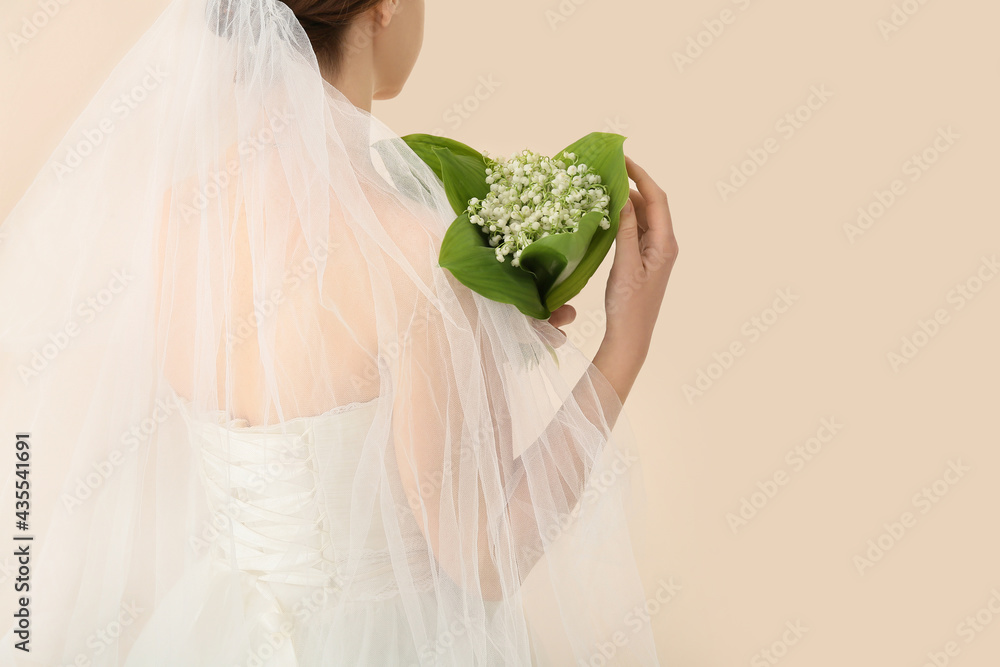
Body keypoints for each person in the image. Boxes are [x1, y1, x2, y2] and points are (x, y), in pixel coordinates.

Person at [0, 0, 678, 664]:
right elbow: (482, 557)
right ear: (382, 7)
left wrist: (481, 343)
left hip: (217, 630)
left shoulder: (176, 217)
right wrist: (626, 345)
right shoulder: (413, 254)